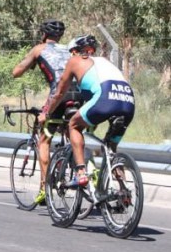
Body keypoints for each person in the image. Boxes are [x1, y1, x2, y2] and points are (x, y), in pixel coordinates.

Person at [46, 34, 135, 187]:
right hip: (128, 101)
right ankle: (123, 190)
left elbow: (59, 93)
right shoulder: (104, 62)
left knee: (73, 125)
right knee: (110, 148)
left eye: (71, 53)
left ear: (75, 51)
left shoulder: (75, 61)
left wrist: (47, 113)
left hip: (105, 98)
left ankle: (81, 173)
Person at [12, 19, 71, 204]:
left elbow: (16, 72)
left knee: (44, 140)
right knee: (73, 134)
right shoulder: (69, 50)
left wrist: (28, 63)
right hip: (79, 95)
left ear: (44, 34)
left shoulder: (39, 49)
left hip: (58, 95)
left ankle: (44, 188)